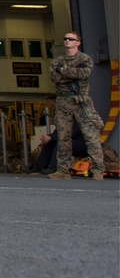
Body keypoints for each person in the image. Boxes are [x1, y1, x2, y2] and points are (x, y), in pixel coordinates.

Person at [47, 31, 105, 181]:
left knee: (91, 136)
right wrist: (71, 74)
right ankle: (63, 170)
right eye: (65, 38)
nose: (67, 41)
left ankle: (98, 170)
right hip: (63, 102)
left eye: (71, 39)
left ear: (78, 42)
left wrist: (64, 72)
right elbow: (54, 77)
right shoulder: (57, 61)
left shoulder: (84, 59)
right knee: (63, 137)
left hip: (81, 102)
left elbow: (84, 73)